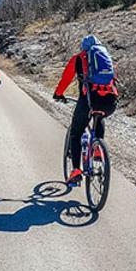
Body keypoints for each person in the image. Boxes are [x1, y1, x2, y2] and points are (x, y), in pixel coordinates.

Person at [53, 35, 119, 186]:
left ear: (83, 47)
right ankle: (97, 148)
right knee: (99, 116)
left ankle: (76, 170)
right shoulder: (107, 59)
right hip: (110, 102)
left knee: (76, 133)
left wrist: (58, 93)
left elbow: (66, 78)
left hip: (88, 100)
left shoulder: (79, 58)